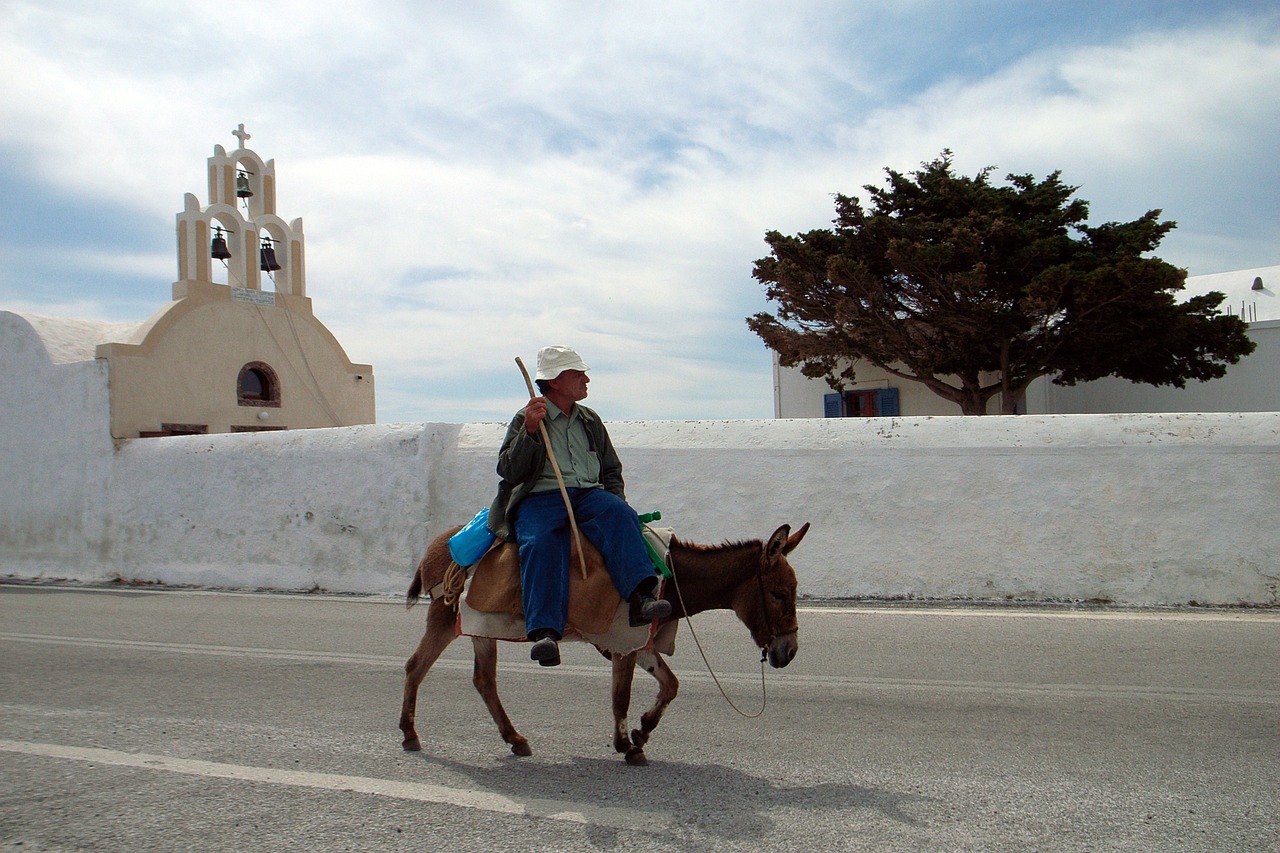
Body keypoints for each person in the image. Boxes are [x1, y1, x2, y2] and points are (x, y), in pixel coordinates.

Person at [487, 345, 671, 667]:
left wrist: (616, 500)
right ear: (556, 381)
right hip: (541, 497)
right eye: (578, 373)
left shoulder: (589, 420)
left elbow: (611, 468)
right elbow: (509, 470)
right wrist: (530, 431)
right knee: (539, 541)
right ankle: (544, 632)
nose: (586, 379)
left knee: (621, 515)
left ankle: (641, 598)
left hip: (588, 496)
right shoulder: (527, 418)